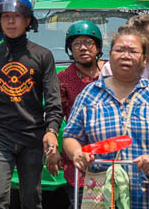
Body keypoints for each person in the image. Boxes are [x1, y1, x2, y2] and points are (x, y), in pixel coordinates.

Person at [64, 26, 149, 209]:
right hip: (105, 198)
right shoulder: (90, 94)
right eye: (119, 50)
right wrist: (77, 153)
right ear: (109, 56)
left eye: (133, 51)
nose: (125, 55)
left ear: (144, 60)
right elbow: (71, 136)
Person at [0, 0, 62, 209]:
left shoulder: (43, 56)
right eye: (6, 16)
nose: (11, 21)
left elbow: (53, 99)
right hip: (0, 137)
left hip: (33, 137)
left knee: (31, 199)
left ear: (28, 20)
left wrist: (52, 130)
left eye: (17, 16)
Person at [54, 21, 105, 208]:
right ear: (70, 49)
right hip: (79, 157)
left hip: (113, 155)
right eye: (77, 44)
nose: (83, 48)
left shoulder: (111, 72)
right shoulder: (63, 78)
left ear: (98, 47)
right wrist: (52, 147)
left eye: (88, 42)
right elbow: (55, 115)